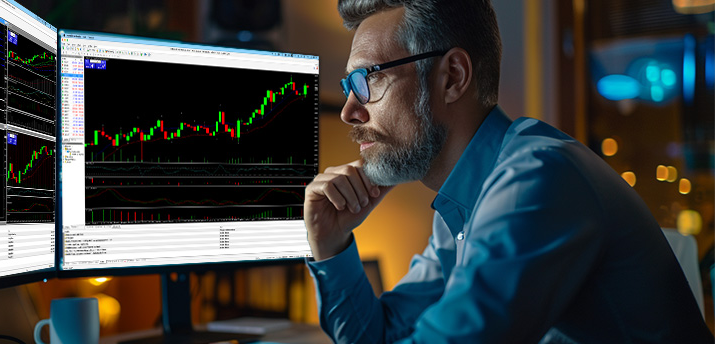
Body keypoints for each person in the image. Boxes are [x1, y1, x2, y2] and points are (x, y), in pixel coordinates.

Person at [303, 0, 714, 342]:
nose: (349, 111)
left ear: (453, 78)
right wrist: (331, 243)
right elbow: (382, 336)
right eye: (349, 87)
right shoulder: (461, 210)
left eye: (368, 79)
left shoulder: (538, 179)